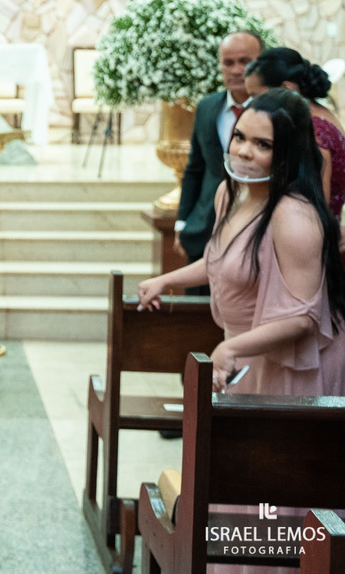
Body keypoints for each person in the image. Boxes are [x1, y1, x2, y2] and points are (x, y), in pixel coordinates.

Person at [140, 88, 345, 398]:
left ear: (289, 152)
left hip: (286, 363)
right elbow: (219, 259)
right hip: (242, 353)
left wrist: (231, 347)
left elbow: (303, 318)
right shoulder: (230, 192)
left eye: (263, 144)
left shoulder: (294, 215)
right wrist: (164, 280)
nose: (244, 151)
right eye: (240, 137)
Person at [175, 31, 264, 269]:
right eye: (228, 62)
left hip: (255, 232)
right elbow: (195, 169)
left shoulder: (273, 111)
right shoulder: (206, 107)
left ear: (261, 63)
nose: (236, 70)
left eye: (245, 61)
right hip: (203, 232)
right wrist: (182, 222)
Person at [244, 47, 345, 218]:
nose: (254, 105)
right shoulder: (321, 113)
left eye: (257, 97)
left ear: (287, 89)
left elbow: (315, 211)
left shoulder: (312, 133)